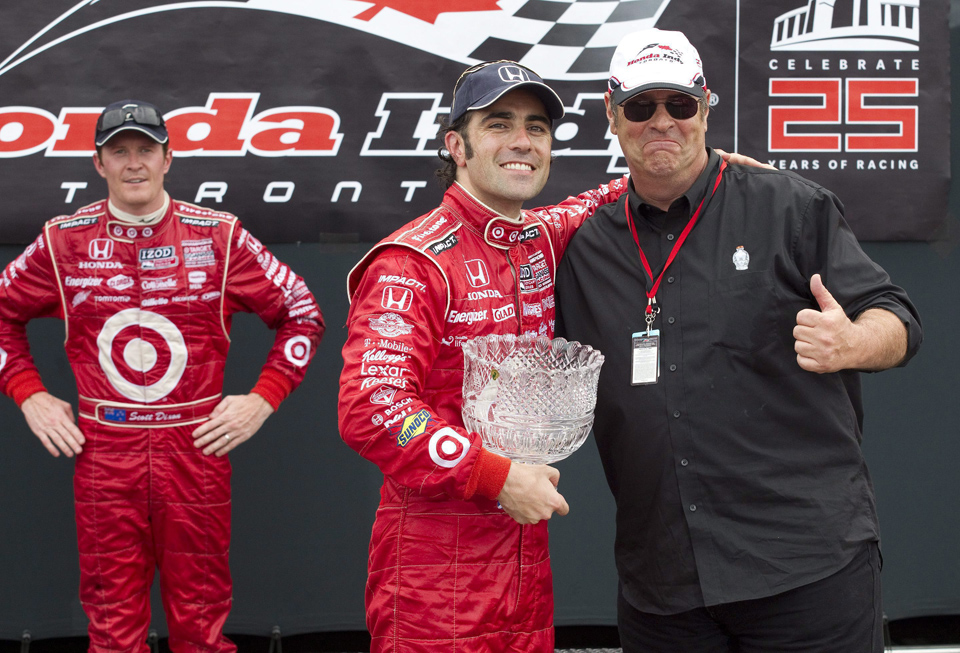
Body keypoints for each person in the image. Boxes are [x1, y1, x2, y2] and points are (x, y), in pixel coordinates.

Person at [554, 28, 923, 652]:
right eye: (642, 107)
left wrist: (855, 343)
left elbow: (896, 316)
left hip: (805, 569)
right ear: (613, 116)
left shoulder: (788, 207)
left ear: (706, 107)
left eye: (680, 104)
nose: (662, 122)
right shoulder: (580, 247)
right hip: (662, 584)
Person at [0, 100, 324, 652]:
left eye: (145, 150)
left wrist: (261, 399)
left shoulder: (218, 236)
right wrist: (29, 395)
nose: (133, 164)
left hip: (195, 449)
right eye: (118, 151)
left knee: (201, 623)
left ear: (168, 158)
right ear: (97, 164)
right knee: (111, 625)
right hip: (105, 451)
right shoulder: (64, 242)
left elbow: (303, 312)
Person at [337, 60, 632, 651]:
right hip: (432, 567)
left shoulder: (542, 236)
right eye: (499, 124)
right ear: (457, 145)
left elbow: (611, 193)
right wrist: (496, 478)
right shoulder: (413, 262)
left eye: (537, 127)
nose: (522, 141)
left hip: (524, 557)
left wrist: (715, 167)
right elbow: (372, 408)